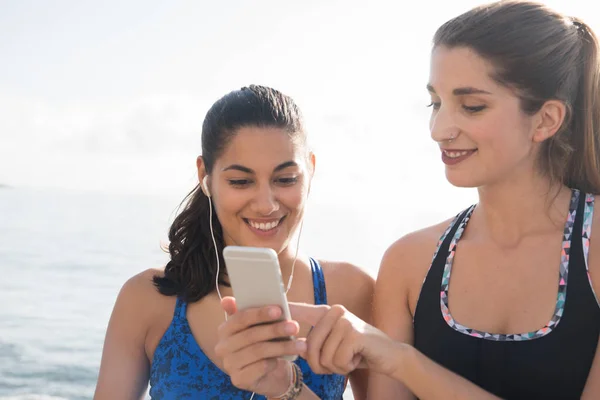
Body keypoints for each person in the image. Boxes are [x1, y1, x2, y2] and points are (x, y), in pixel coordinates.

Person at [231, 1, 600, 399]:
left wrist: (401, 360)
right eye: (436, 103)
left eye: (472, 106)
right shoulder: (410, 263)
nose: (439, 130)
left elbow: (397, 361)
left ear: (546, 119)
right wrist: (285, 387)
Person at [93, 85, 374, 400]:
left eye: (285, 179)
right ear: (206, 176)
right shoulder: (145, 299)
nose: (266, 204)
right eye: (241, 181)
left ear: (310, 170)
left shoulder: (352, 292)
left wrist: (289, 389)